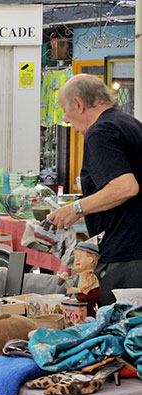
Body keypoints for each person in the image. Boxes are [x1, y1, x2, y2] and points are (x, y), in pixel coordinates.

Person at [48, 74, 142, 306]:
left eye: (65, 110)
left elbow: (125, 187)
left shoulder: (100, 132)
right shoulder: (131, 124)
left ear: (78, 104)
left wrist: (77, 208)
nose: (66, 120)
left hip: (126, 254)